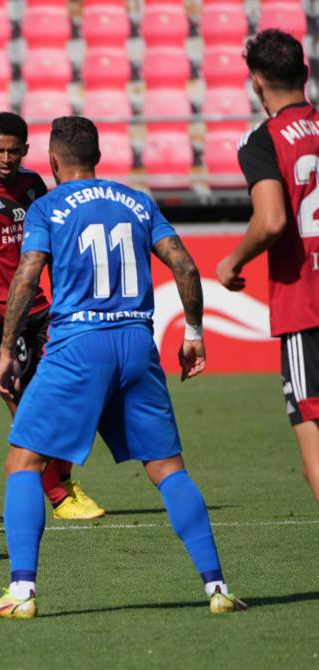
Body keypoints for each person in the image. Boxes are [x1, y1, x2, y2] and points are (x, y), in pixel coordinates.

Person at [0, 117, 247, 619]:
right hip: (137, 344)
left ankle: (22, 592)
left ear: (53, 161)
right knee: (168, 470)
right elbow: (185, 266)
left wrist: (7, 348)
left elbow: (27, 277)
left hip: (78, 346)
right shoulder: (137, 201)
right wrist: (193, 333)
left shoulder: (47, 206)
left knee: (23, 464)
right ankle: (218, 587)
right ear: (97, 157)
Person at [0, 112, 106, 520]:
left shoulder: (34, 185)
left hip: (38, 309)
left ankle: (62, 480)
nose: (5, 158)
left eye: (13, 151)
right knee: (22, 403)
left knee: (62, 394)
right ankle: (60, 497)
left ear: (27, 150)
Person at [216, 29, 319, 504]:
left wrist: (233, 260)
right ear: (306, 72)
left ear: (256, 82)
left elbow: (272, 220)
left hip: (306, 307)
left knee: (313, 440)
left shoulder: (263, 141)